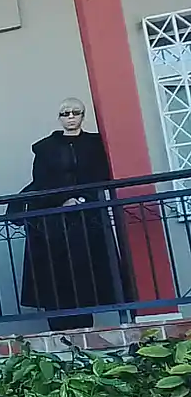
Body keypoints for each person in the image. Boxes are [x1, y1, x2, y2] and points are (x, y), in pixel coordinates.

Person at [9, 98, 120, 331]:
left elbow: (100, 177)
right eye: (65, 113)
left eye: (75, 112)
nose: (70, 117)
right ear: (59, 118)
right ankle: (60, 335)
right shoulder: (45, 148)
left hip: (85, 222)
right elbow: (42, 182)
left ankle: (85, 332)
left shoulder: (94, 144)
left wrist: (82, 200)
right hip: (52, 225)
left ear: (83, 115)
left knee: (84, 278)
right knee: (54, 278)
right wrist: (61, 201)